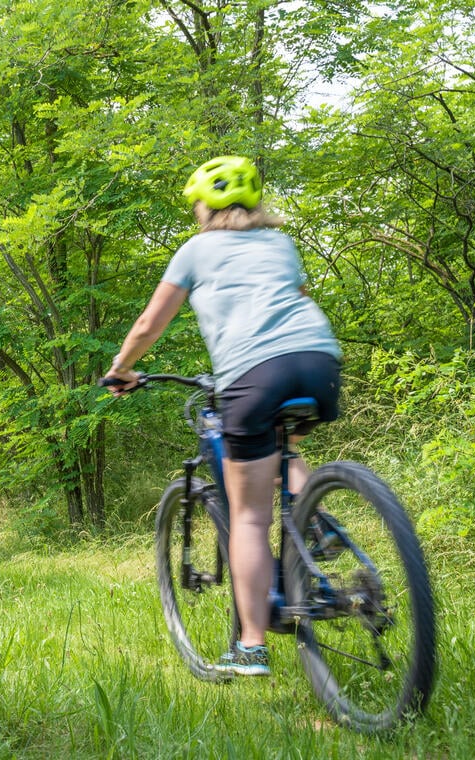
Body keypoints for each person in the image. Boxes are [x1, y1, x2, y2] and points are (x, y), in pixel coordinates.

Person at [103, 155, 342, 677]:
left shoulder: (196, 250)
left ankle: (252, 646)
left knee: (251, 516)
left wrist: (121, 368)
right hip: (320, 361)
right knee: (288, 446)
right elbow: (294, 300)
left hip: (253, 374)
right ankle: (317, 520)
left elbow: (149, 323)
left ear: (203, 206)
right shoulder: (281, 243)